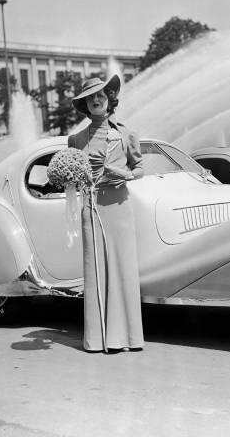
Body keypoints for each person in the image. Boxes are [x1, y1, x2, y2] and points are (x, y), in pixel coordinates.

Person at [69, 74, 144, 353]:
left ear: (110, 99)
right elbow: (74, 178)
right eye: (91, 97)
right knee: (95, 269)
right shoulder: (75, 139)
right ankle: (98, 339)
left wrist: (124, 174)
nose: (96, 99)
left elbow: (140, 169)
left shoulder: (126, 134)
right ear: (85, 104)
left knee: (123, 269)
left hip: (120, 208)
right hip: (91, 207)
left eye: (101, 95)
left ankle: (128, 339)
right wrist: (74, 179)